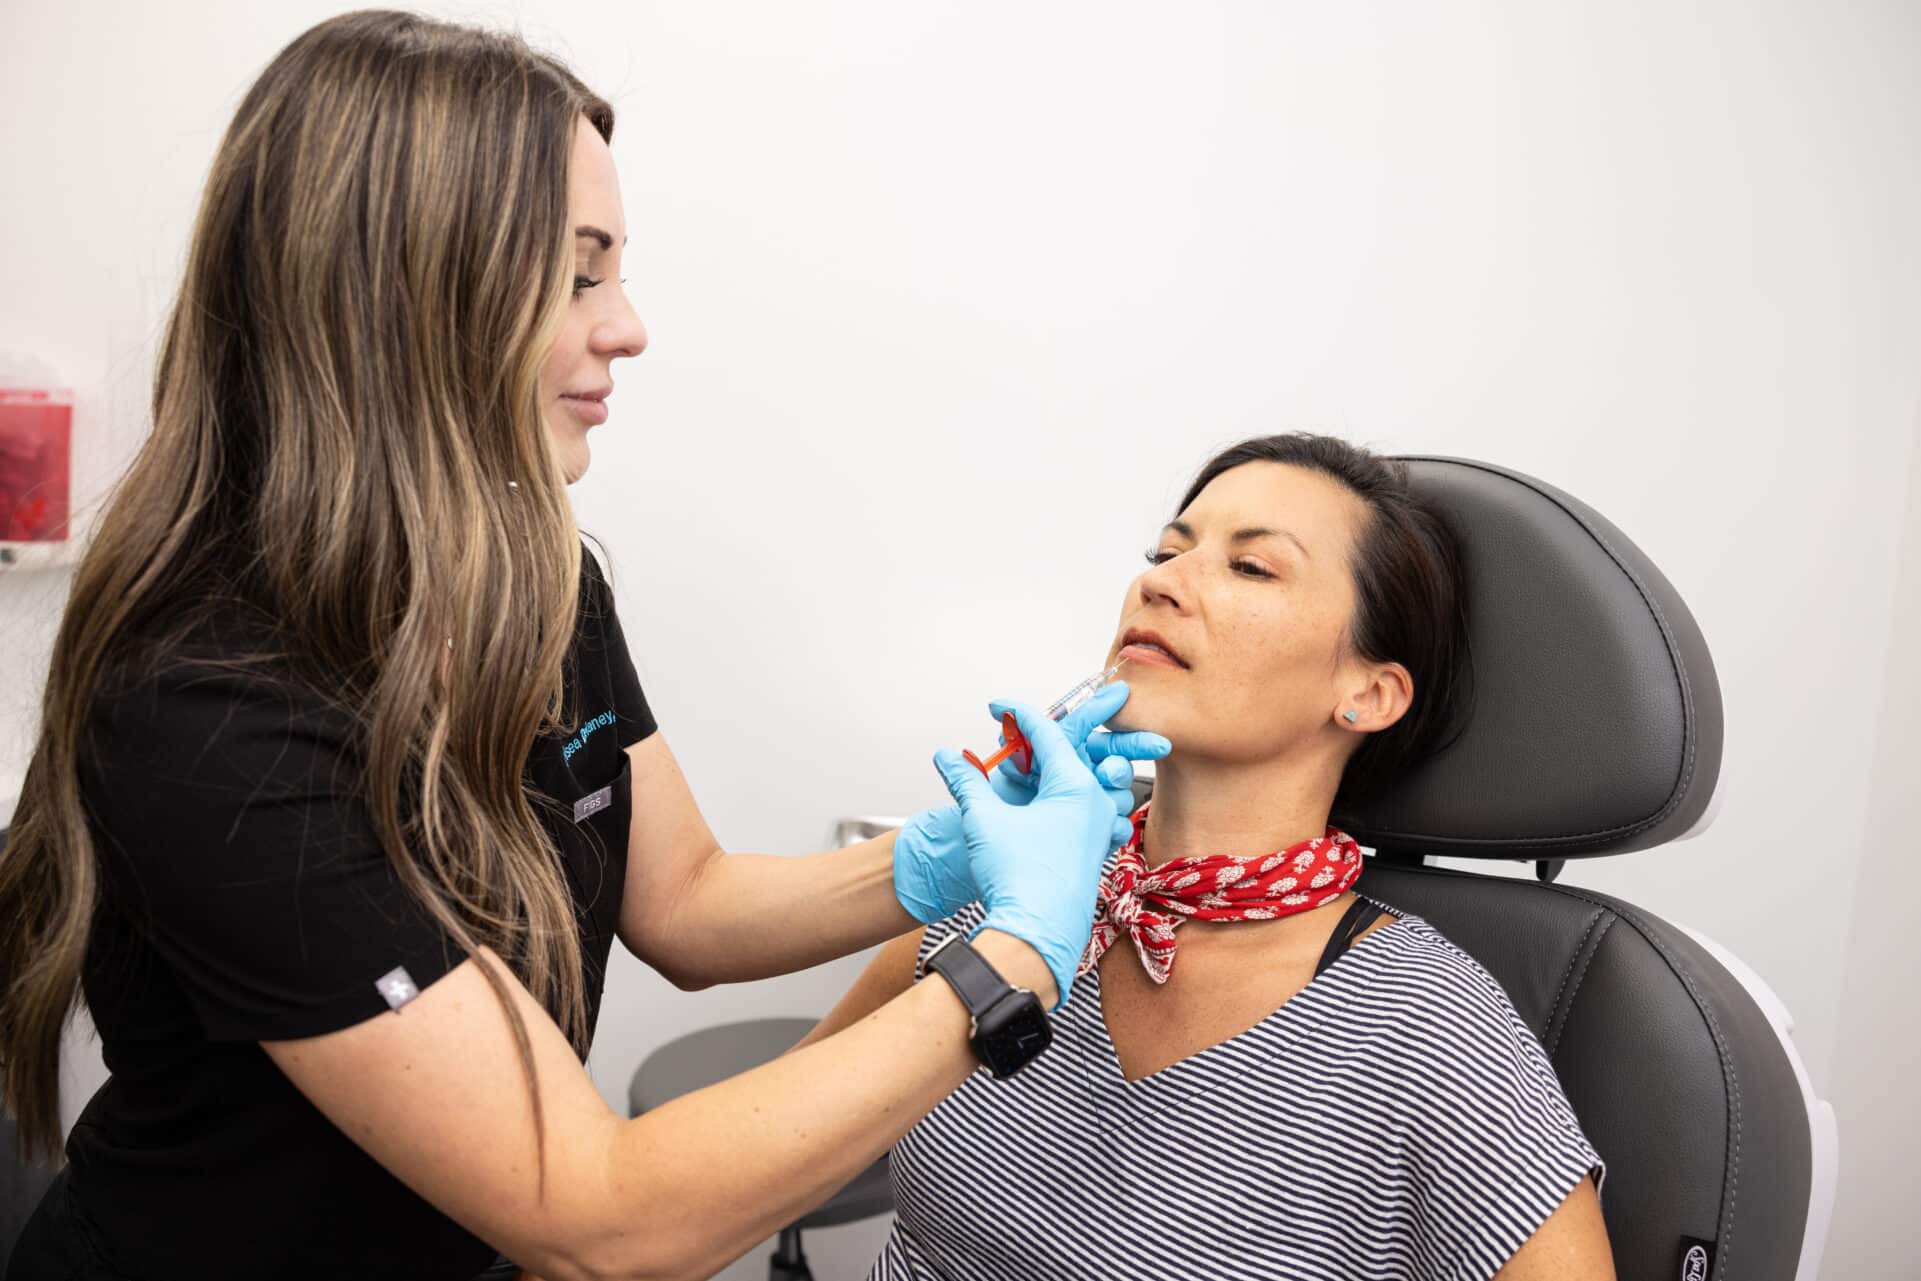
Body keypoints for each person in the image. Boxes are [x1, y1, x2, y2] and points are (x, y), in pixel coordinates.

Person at [0, 12, 1167, 1280]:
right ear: (399, 293)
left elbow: (685, 904)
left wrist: (934, 867)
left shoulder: (542, 586)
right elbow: (594, 1216)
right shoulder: (209, 703)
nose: (630, 328)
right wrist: (1011, 960)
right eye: (576, 274)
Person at [802, 434, 1617, 1280]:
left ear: (1367, 693)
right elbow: (766, 1150)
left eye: (1251, 568)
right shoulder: (998, 894)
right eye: (1164, 551)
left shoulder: (1427, 1027)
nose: (1159, 581)